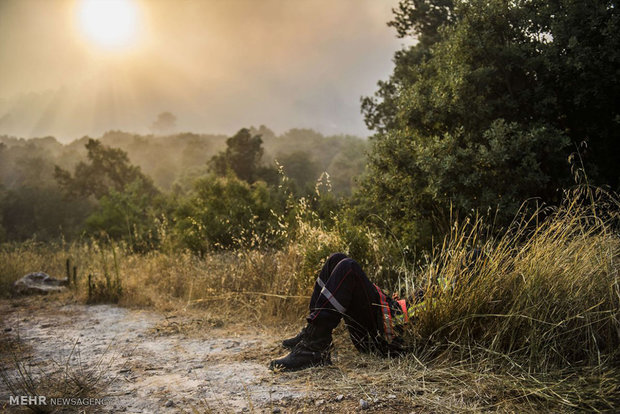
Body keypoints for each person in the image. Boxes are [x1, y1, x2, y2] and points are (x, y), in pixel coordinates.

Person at [269, 252, 420, 372]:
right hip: (387, 315)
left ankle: (313, 347)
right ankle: (312, 332)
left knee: (349, 268)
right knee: (337, 259)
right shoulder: (437, 289)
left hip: (386, 335)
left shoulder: (440, 296)